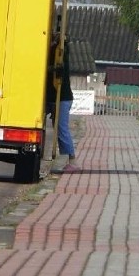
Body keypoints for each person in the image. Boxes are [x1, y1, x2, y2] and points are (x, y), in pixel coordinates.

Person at [46, 32, 79, 172]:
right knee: (58, 127)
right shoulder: (57, 50)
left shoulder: (61, 52)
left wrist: (48, 69)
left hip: (62, 97)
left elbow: (60, 69)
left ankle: (72, 160)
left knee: (62, 128)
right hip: (55, 97)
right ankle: (68, 158)